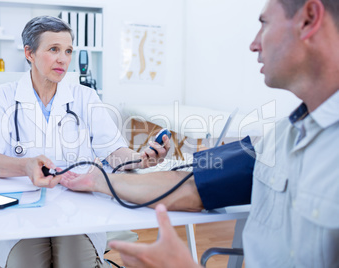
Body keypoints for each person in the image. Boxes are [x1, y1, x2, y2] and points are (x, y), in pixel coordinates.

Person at [60, 0, 339, 266]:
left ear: (309, 19)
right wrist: (98, 181)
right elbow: (191, 185)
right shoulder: (281, 138)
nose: (254, 44)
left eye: (264, 23)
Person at [0, 16, 170, 268]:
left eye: (68, 51)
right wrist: (26, 166)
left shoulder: (85, 97)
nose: (63, 58)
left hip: (77, 204)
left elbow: (113, 151)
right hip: (20, 210)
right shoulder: (2, 97)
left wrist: (142, 158)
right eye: (53, 49)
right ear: (29, 53)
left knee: (76, 263)